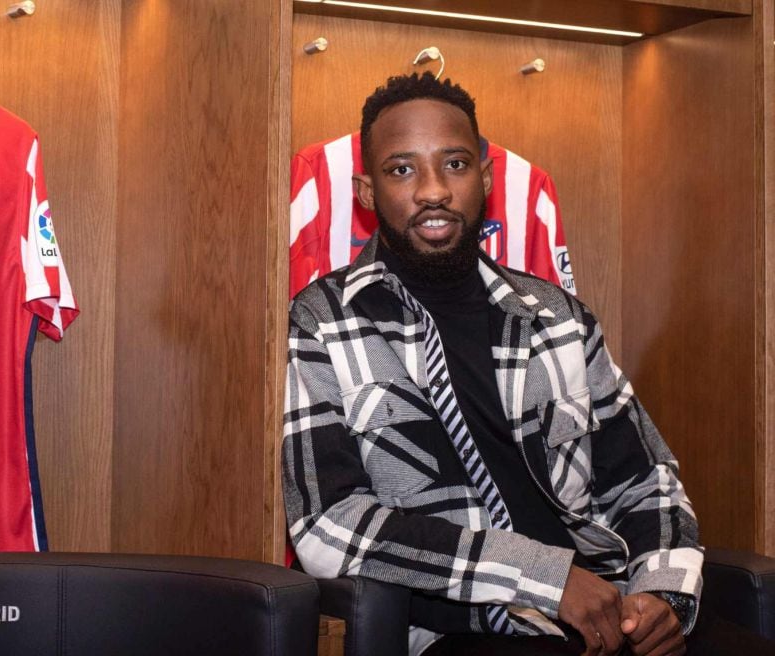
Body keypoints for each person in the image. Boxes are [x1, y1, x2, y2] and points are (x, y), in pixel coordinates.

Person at [282, 71, 770, 655]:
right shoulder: (322, 320)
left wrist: (664, 593)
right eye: (402, 169)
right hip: (465, 630)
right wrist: (541, 576)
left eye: (456, 164)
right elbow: (328, 524)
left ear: (485, 178)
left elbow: (645, 479)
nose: (434, 190)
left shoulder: (560, 317)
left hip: (612, 612)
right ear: (367, 192)